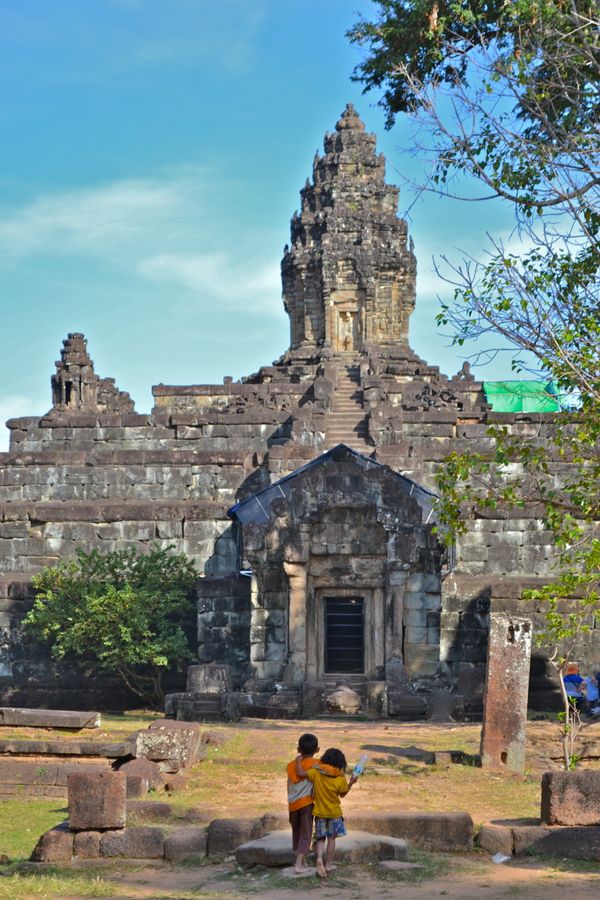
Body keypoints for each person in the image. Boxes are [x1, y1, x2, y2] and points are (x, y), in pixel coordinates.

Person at [296, 747, 357, 878]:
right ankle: (328, 864)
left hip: (319, 813)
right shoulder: (340, 778)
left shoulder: (316, 772)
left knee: (320, 839)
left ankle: (319, 858)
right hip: (334, 814)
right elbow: (343, 794)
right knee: (331, 839)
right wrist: (351, 782)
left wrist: (298, 761)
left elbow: (300, 773)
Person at [286, 733, 329, 874]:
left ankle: (301, 860)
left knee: (296, 832)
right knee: (306, 833)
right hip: (306, 804)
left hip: (292, 804)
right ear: (317, 750)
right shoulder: (317, 765)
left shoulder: (291, 765)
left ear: (298, 749)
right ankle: (298, 865)